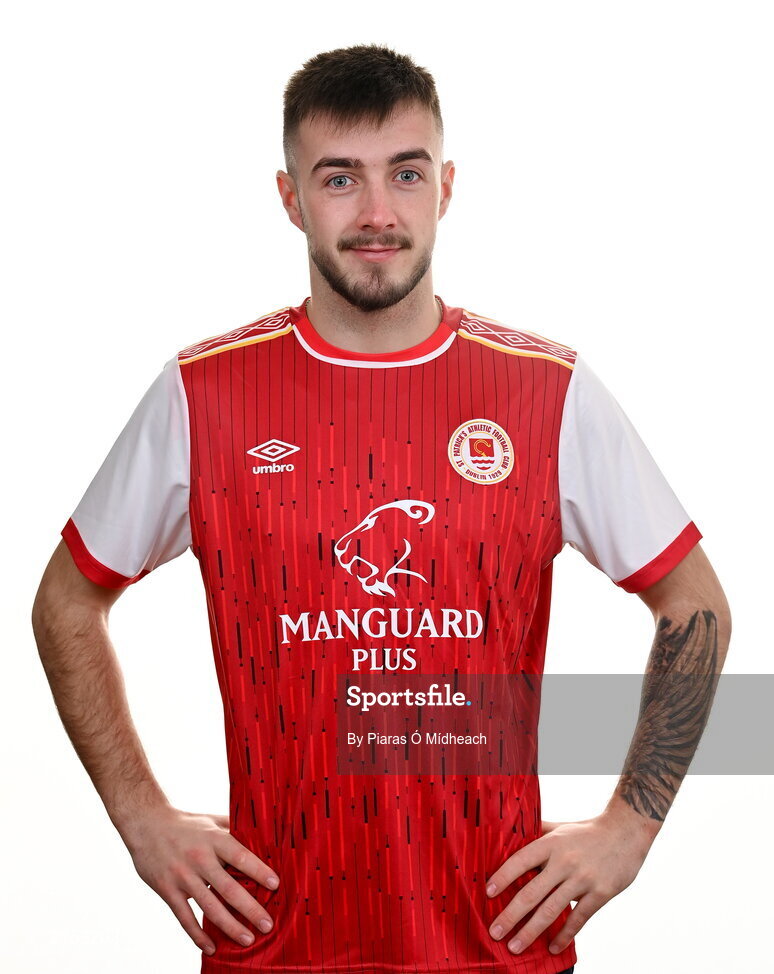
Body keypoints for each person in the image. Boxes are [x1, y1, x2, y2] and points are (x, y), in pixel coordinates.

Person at [32, 43, 730, 974]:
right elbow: (66, 601)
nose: (375, 212)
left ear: (444, 187)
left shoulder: (546, 393)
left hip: (497, 946)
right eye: (338, 178)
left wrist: (629, 829)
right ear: (289, 198)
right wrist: (139, 815)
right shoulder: (205, 394)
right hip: (276, 946)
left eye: (404, 174)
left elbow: (697, 605)